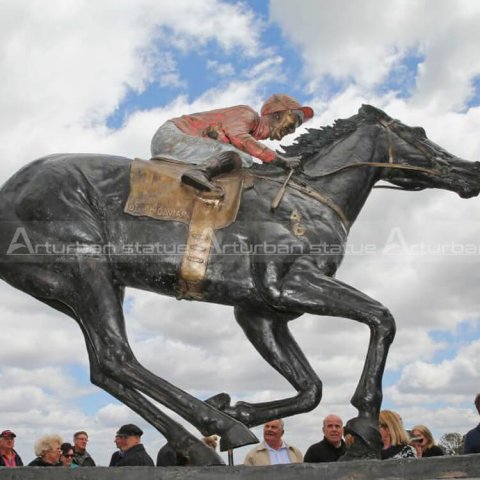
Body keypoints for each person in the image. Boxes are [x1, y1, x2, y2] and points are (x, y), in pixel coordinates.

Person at [150, 93, 314, 192]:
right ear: (278, 114)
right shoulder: (247, 114)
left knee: (240, 160)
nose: (292, 129)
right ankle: (199, 172)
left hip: (180, 142)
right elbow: (240, 139)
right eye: (294, 121)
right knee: (241, 157)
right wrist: (280, 161)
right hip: (173, 136)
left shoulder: (250, 132)